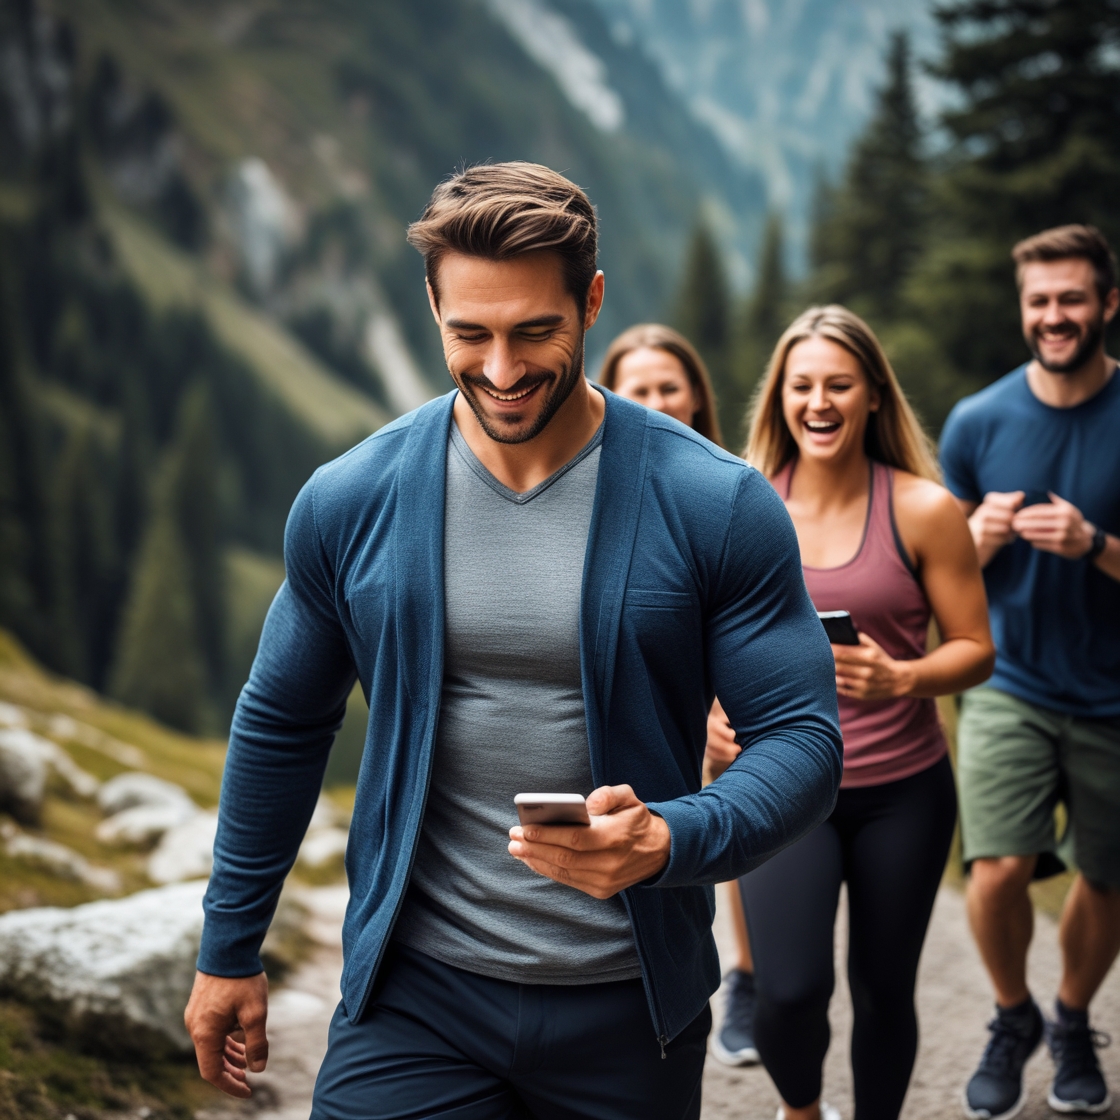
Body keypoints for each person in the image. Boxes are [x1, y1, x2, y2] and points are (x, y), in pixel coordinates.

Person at [183, 162, 844, 1120]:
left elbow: (803, 742)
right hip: (414, 1004)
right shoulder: (350, 500)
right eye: (471, 333)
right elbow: (283, 724)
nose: (502, 369)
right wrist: (227, 948)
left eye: (536, 330)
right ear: (432, 305)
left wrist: (669, 839)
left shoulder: (716, 504)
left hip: (629, 1008)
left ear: (594, 301)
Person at [729, 305, 995, 1120]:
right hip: (782, 787)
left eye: (839, 384)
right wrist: (707, 712)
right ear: (779, 398)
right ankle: (802, 1111)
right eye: (802, 385)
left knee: (884, 992)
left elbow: (976, 648)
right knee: (788, 990)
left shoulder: (922, 508)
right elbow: (707, 640)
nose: (819, 402)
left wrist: (903, 679)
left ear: (874, 395)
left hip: (901, 791)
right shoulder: (743, 504)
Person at [939, 224, 1120, 1120]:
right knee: (999, 871)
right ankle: (1014, 1016)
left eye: (1072, 298)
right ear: (1023, 309)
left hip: (1116, 694)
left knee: (1107, 877)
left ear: (1107, 304)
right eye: (1040, 301)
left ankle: (1076, 1018)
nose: (1054, 316)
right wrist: (973, 542)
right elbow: (939, 568)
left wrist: (1098, 546)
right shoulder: (977, 421)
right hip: (1010, 681)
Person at [601, 323, 760, 1067]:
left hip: (734, 708)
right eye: (641, 389)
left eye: (671, 386)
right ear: (611, 394)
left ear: (697, 394)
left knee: (731, 821)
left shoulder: (729, 488)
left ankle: (751, 976)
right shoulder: (599, 493)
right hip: (662, 718)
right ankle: (749, 976)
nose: (659, 400)